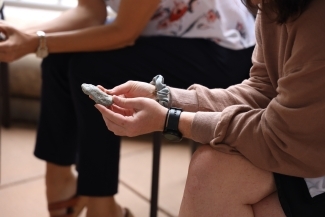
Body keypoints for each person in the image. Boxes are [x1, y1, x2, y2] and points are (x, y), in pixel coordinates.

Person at [0, 0, 256, 216]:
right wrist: (26, 37)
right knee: (56, 58)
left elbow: (124, 32)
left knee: (92, 71)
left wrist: (34, 43)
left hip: (222, 48)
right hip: (162, 32)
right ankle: (60, 185)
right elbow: (90, 12)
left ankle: (102, 207)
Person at [94, 0, 325, 216]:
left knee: (212, 174)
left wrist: (172, 120)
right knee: (212, 172)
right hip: (303, 143)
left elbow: (283, 137)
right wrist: (165, 97)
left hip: (306, 147)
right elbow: (263, 89)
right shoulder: (273, 6)